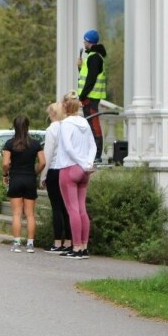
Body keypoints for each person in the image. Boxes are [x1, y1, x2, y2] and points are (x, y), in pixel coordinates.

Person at [56, 91, 98, 258]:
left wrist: (80, 162)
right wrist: (87, 163)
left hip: (69, 167)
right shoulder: (84, 123)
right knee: (82, 209)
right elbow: (93, 145)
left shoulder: (65, 124)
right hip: (84, 170)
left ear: (66, 106)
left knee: (72, 209)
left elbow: (67, 147)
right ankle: (85, 246)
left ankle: (76, 247)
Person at [2, 115, 45, 252]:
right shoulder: (35, 143)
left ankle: (16, 243)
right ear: (28, 126)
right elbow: (43, 162)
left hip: (15, 178)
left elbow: (5, 163)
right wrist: (36, 172)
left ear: (14, 126)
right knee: (30, 214)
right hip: (30, 179)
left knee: (16, 214)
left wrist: (5, 174)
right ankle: (30, 244)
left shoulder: (10, 143)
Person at [41, 102, 72, 254]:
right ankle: (69, 241)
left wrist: (43, 176)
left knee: (56, 207)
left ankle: (57, 241)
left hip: (54, 168)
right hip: (67, 168)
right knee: (67, 207)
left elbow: (48, 153)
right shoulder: (68, 127)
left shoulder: (51, 129)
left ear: (52, 114)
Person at [77, 29, 107, 162]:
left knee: (93, 125)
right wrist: (79, 67)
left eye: (85, 40)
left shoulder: (94, 58)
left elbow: (91, 79)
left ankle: (97, 155)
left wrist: (82, 96)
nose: (83, 42)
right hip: (90, 96)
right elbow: (86, 76)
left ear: (89, 42)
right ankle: (94, 154)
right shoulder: (92, 57)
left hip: (91, 97)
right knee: (90, 125)